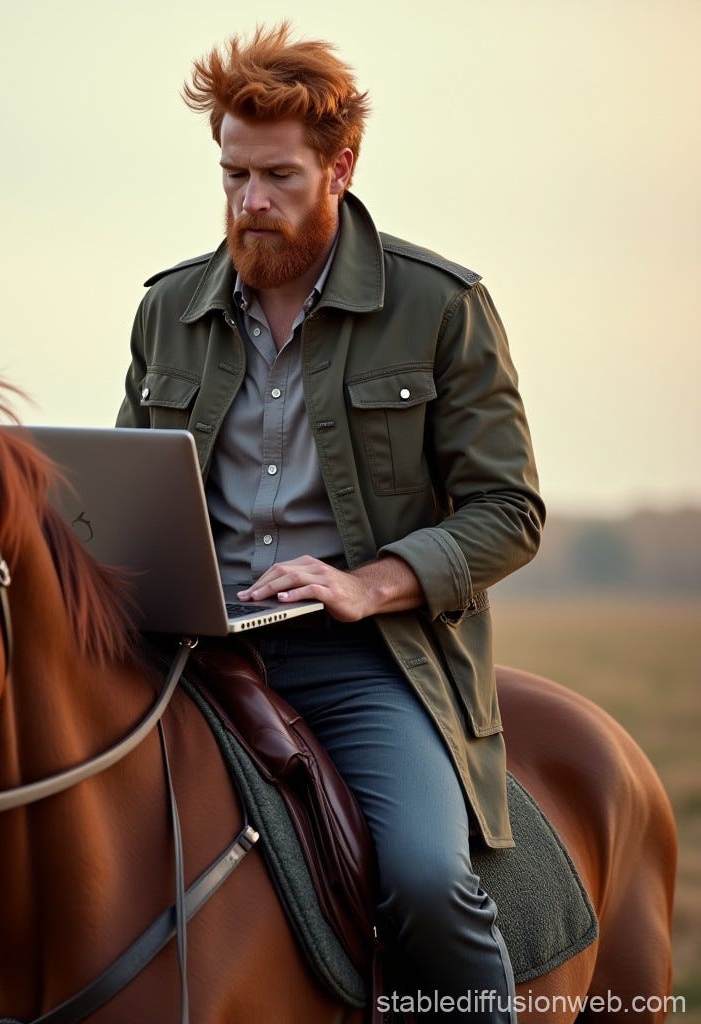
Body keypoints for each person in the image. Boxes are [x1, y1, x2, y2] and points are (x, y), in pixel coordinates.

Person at [116, 23, 543, 1022]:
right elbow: (124, 498)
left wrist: (366, 582)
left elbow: (510, 510)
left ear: (340, 167)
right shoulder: (166, 309)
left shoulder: (440, 304)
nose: (249, 202)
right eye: (231, 175)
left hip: (365, 661)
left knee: (427, 883)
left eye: (277, 177)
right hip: (182, 652)